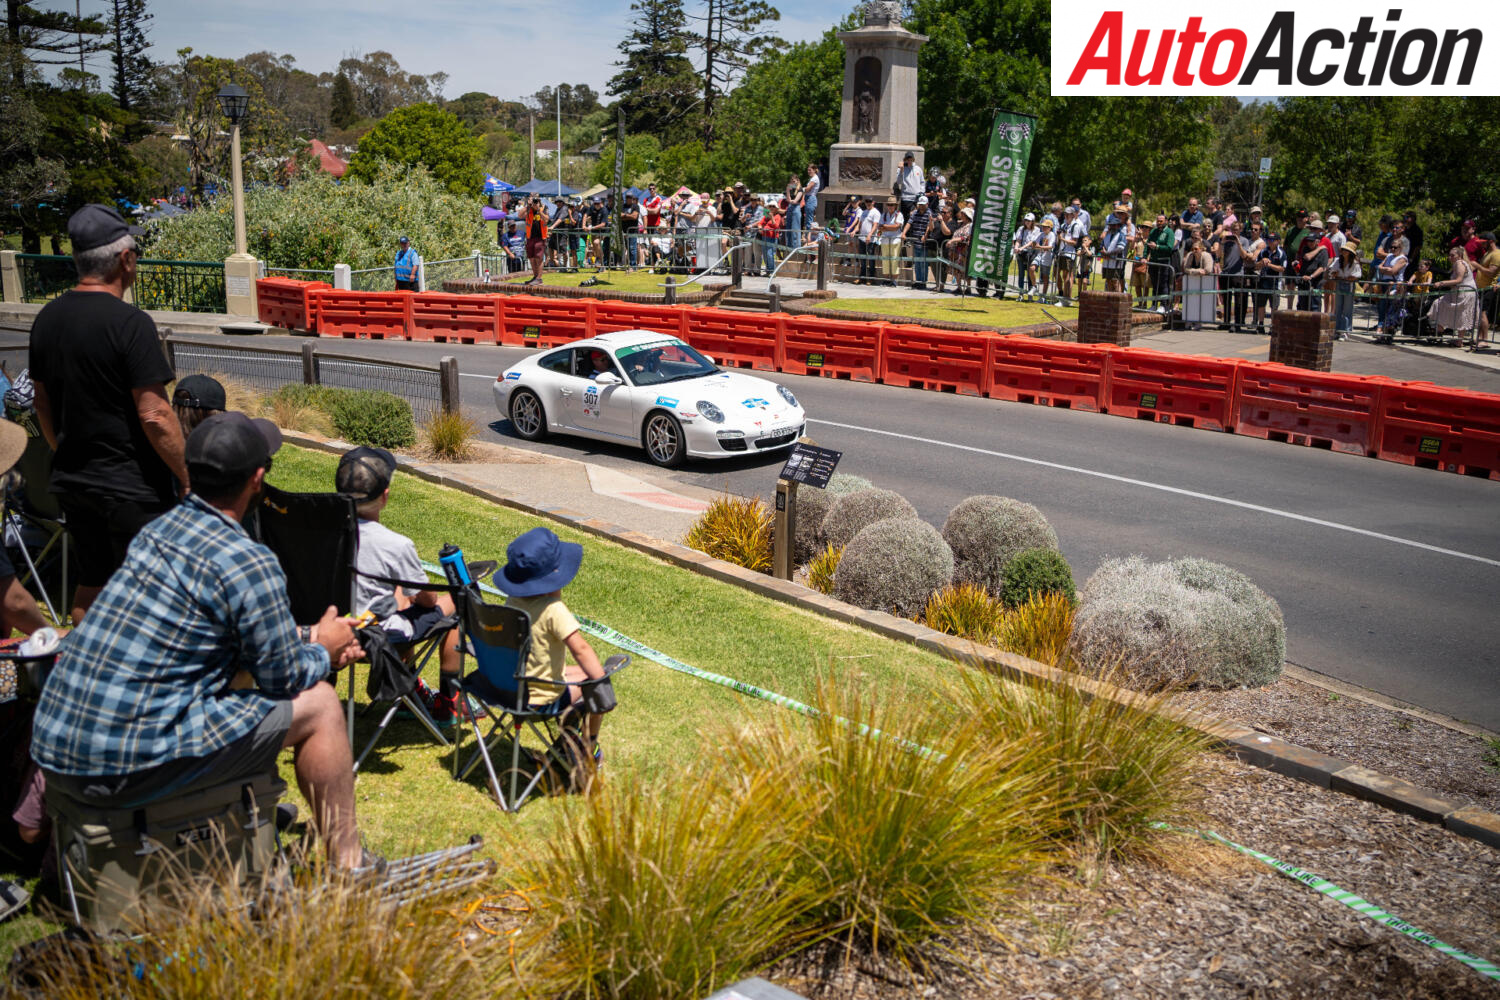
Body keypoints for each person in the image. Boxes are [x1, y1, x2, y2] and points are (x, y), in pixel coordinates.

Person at [29, 412, 373, 870]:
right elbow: (283, 677)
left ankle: (243, 804)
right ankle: (350, 866)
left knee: (244, 694)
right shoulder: (247, 560)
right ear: (257, 479)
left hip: (57, 750)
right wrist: (323, 650)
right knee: (322, 705)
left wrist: (310, 635)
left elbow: (209, 643)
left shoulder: (156, 534)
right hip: (122, 766)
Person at [28, 204, 188, 623]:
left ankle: (86, 668)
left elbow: (41, 402)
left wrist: (63, 449)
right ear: (126, 259)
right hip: (131, 487)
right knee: (153, 593)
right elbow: (154, 414)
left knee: (93, 583)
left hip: (74, 481)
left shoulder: (46, 319)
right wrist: (189, 476)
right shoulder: (131, 323)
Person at [335, 446, 465, 727]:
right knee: (457, 598)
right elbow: (428, 601)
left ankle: (410, 689)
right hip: (378, 637)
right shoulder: (395, 545)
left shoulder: (322, 533)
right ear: (384, 496)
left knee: (399, 596)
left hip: (334, 628)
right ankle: (447, 704)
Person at [494, 527, 613, 763]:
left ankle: (567, 738)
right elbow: (581, 649)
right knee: (593, 681)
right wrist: (602, 680)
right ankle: (588, 747)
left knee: (577, 673)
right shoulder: (553, 610)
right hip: (539, 697)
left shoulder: (513, 601)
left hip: (507, 685)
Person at [1428, 246, 1481, 347]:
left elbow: (1459, 280)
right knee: (1439, 303)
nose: (1450, 257)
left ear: (1459, 256)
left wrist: (1441, 283)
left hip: (1465, 293)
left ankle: (1457, 340)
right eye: (1449, 255)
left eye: (1453, 255)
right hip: (1460, 291)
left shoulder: (1459, 263)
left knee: (1462, 314)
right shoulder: (1459, 263)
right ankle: (1440, 331)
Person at [1252, 231, 1287, 333]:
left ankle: (1273, 326)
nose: (1269, 242)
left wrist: (1270, 265)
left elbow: (1282, 268)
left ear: (1277, 241)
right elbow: (1256, 265)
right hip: (1263, 282)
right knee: (1261, 305)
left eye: (1272, 240)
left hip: (1275, 284)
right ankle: (1261, 324)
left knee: (1274, 306)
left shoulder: (1281, 253)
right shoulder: (1263, 252)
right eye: (1268, 240)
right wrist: (1262, 262)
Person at [1329, 239, 1363, 338]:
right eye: (1343, 250)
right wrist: (1337, 275)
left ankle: (1345, 330)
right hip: (1340, 284)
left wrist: (1340, 276)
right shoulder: (1338, 260)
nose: (1344, 252)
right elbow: (1332, 272)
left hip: (1349, 286)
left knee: (1347, 309)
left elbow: (1356, 276)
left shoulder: (1355, 263)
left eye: (1346, 250)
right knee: (1338, 308)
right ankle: (1337, 330)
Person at [1471, 232, 1499, 349]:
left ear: (1491, 242)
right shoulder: (1488, 253)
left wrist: (1477, 266)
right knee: (1480, 313)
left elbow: (1491, 272)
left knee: (1483, 313)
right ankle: (1480, 338)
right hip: (1481, 288)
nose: (1481, 245)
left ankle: (1485, 339)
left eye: (1483, 243)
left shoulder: (1497, 254)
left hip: (1489, 287)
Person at [1146, 213, 1176, 314]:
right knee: (1154, 283)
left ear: (1166, 221)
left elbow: (1169, 248)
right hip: (1153, 261)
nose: (1159, 223)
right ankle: (1154, 304)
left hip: (1164, 261)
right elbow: (1147, 245)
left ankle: (1163, 305)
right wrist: (1144, 257)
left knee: (1163, 284)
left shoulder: (1169, 232)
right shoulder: (1153, 231)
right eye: (1158, 221)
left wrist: (1157, 247)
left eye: (1161, 221)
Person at [902, 196, 932, 289]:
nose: (921, 206)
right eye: (920, 205)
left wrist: (926, 235)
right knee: (917, 263)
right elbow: (909, 223)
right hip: (916, 242)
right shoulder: (915, 213)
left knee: (923, 264)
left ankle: (923, 282)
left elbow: (929, 226)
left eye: (923, 205)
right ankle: (918, 281)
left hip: (924, 243)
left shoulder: (929, 213)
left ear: (927, 204)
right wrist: (903, 233)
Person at [877, 196, 904, 286]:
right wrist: (888, 227)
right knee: (885, 260)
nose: (890, 206)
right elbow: (880, 227)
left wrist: (885, 227)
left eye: (892, 205)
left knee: (894, 260)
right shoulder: (884, 214)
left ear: (895, 206)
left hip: (895, 240)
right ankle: (886, 279)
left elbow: (896, 227)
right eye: (888, 205)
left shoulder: (899, 214)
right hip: (885, 240)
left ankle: (894, 280)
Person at [1012, 213, 1039, 298]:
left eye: (1029, 221)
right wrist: (1016, 247)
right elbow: (1018, 240)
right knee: (1021, 274)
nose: (1027, 222)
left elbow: (1031, 242)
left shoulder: (1036, 230)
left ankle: (1030, 295)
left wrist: (1021, 248)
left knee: (1030, 274)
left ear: (1032, 221)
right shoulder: (1021, 229)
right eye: (1026, 220)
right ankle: (1021, 294)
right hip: (1021, 254)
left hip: (1031, 253)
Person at [523, 197, 548, 286]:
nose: (535, 202)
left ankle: (539, 278)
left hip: (540, 237)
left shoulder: (544, 207)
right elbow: (519, 215)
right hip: (530, 237)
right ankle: (535, 276)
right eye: (533, 200)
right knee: (532, 258)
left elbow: (546, 219)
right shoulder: (528, 209)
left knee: (539, 258)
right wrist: (527, 206)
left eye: (536, 200)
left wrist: (539, 210)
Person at [1099, 215, 1127, 293]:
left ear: (1118, 226)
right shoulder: (1107, 235)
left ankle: (1118, 301)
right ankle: (1111, 301)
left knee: (1115, 282)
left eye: (1113, 225)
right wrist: (1103, 252)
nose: (1111, 227)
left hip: (1116, 263)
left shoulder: (1121, 236)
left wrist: (1108, 253)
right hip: (1106, 262)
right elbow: (1101, 246)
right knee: (1108, 281)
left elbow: (1120, 248)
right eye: (1110, 225)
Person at [895, 152, 923, 220]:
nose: (909, 161)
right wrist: (901, 171)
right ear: (905, 160)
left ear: (913, 159)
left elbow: (922, 182)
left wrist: (922, 193)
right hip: (906, 198)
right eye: (908, 159)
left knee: (916, 218)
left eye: (911, 159)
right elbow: (899, 181)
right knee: (906, 218)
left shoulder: (918, 169)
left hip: (916, 198)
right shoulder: (901, 169)